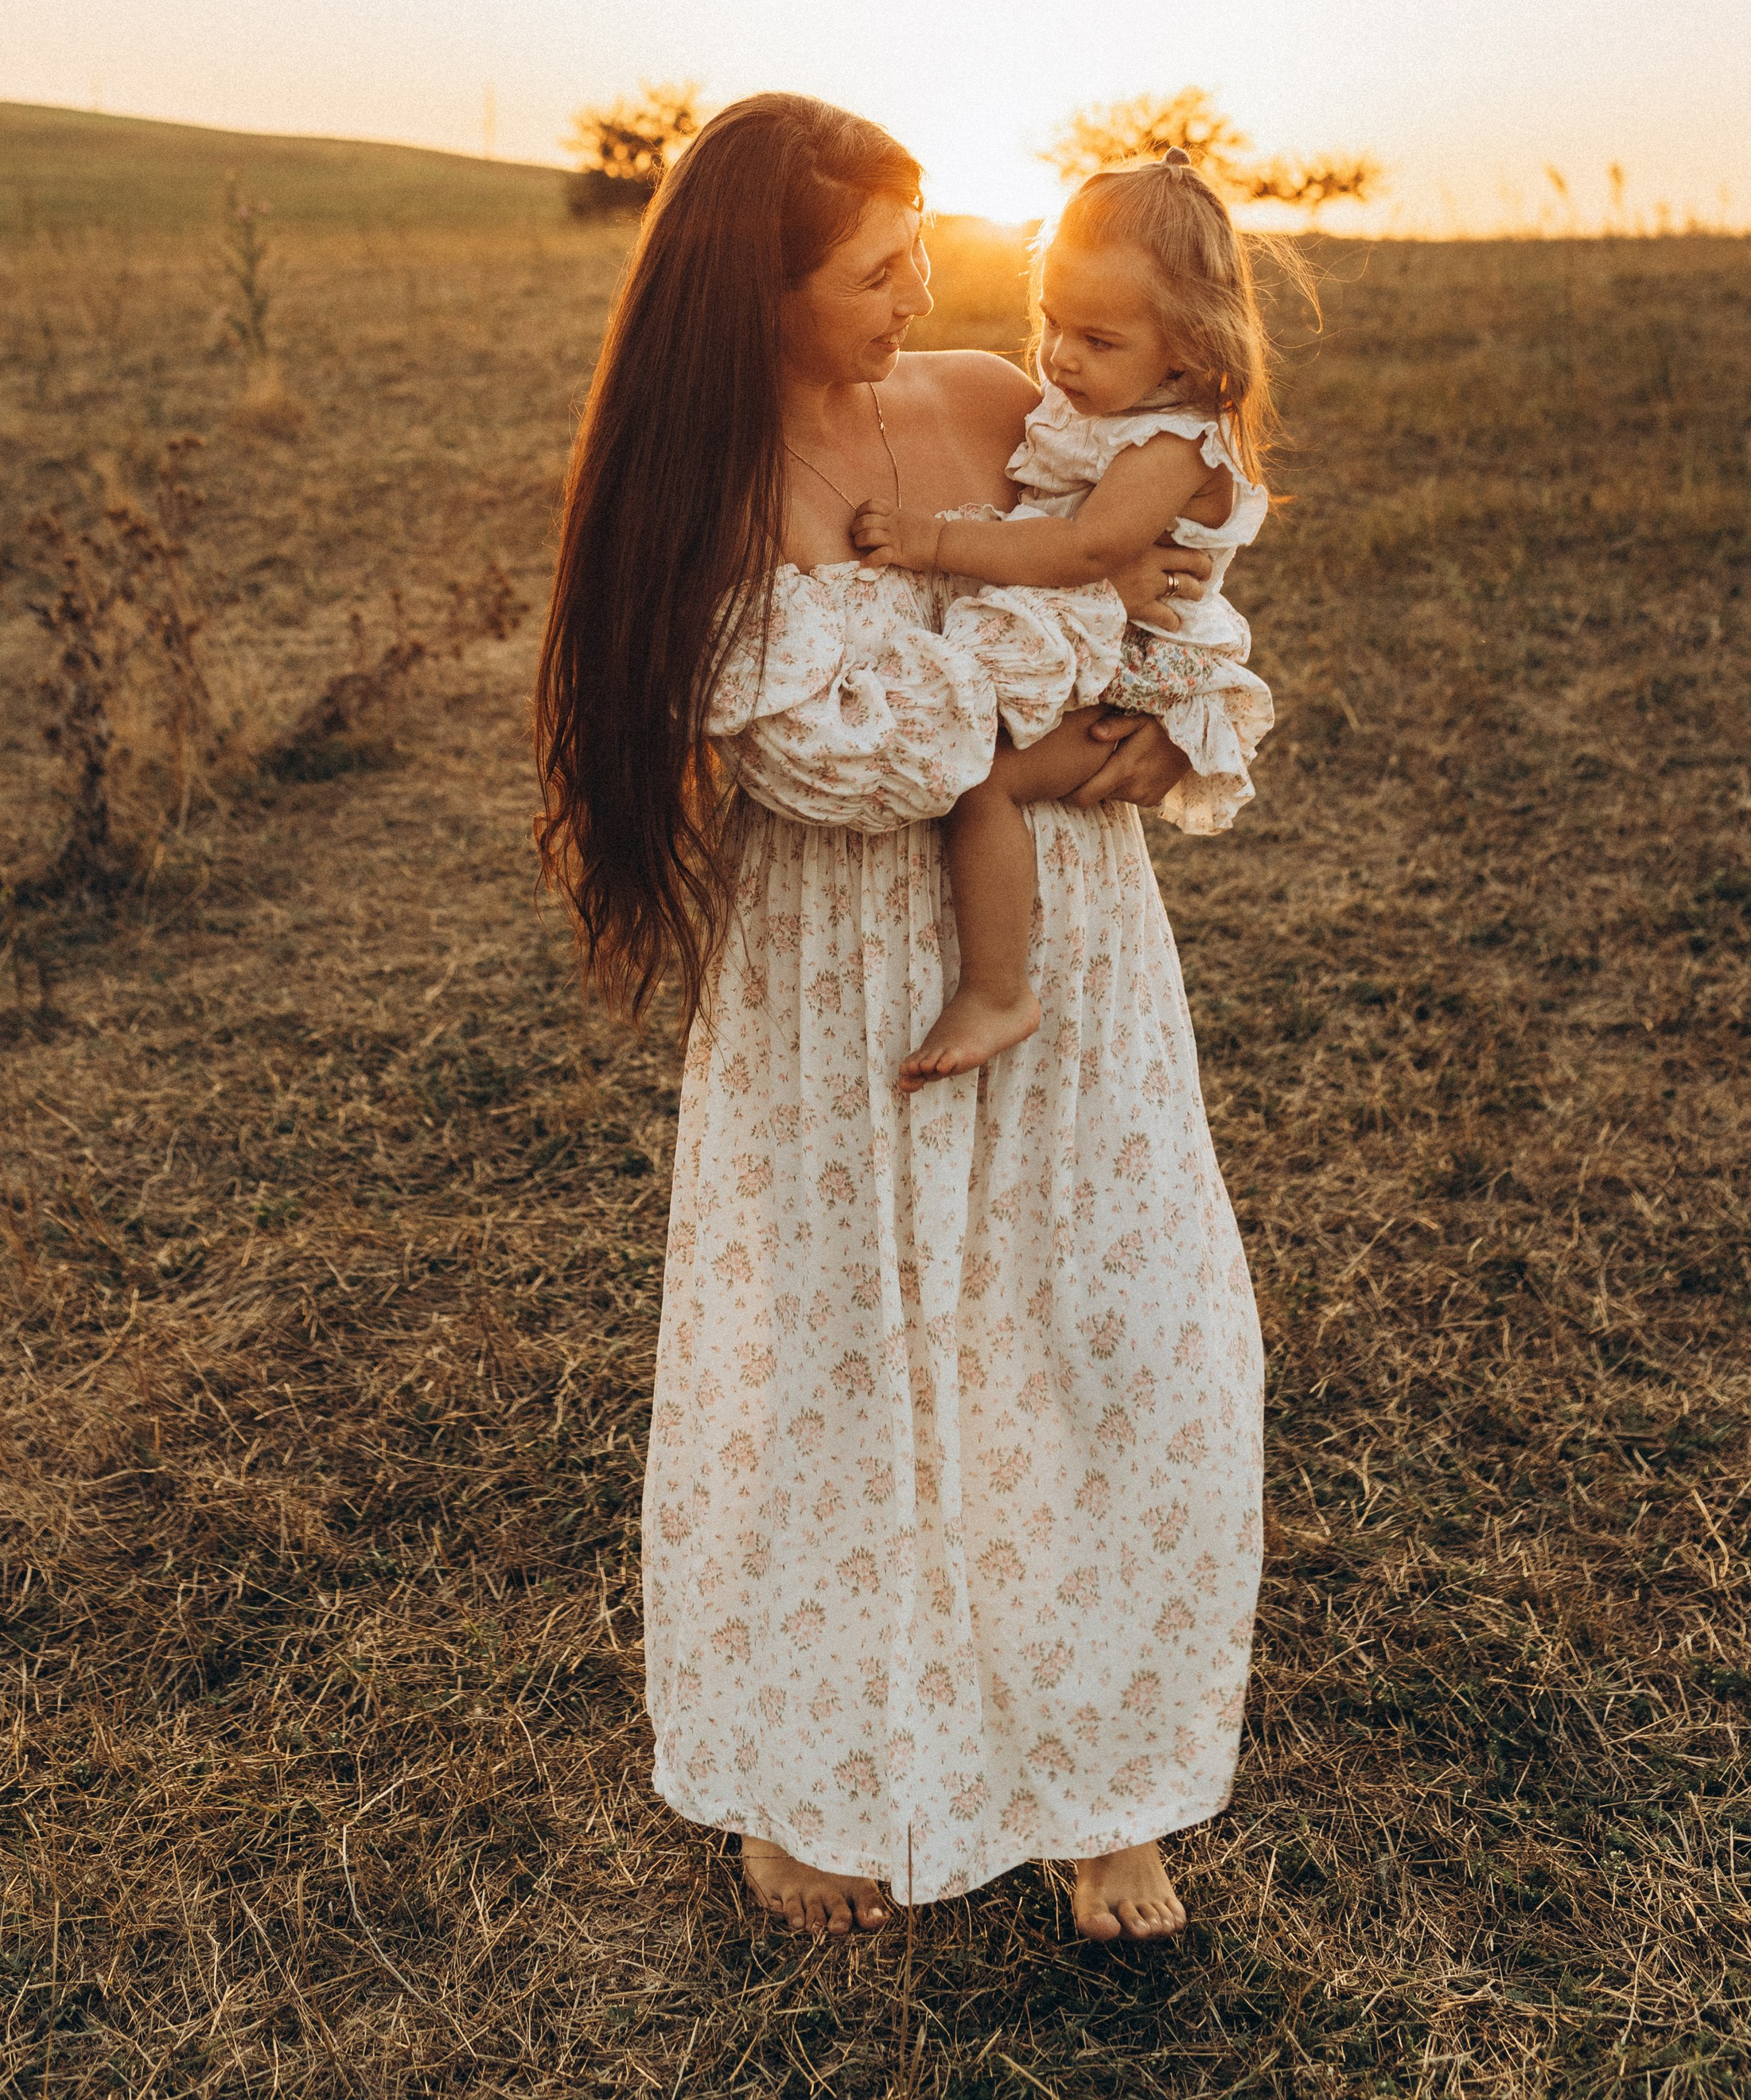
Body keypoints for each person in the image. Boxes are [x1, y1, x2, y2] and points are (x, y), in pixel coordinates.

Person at [535, 93, 1264, 1945]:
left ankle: (1102, 1781)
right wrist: (1044, 732)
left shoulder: (979, 405)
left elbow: (1169, 546)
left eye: (921, 247)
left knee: (1108, 1341)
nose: (923, 293)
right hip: (846, 987)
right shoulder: (691, 505)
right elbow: (867, 768)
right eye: (874, 271)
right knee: (841, 1374)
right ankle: (815, 1769)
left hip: (1071, 954)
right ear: (753, 293)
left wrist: (1158, 690)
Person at [850, 147, 1275, 1082]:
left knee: (985, 782)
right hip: (1086, 645)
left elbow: (1083, 554)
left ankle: (998, 988)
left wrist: (930, 543)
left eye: (1099, 340)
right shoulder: (1092, 409)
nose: (1060, 356)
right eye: (1053, 322)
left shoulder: (1173, 442)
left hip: (1142, 669)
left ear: (1189, 348)